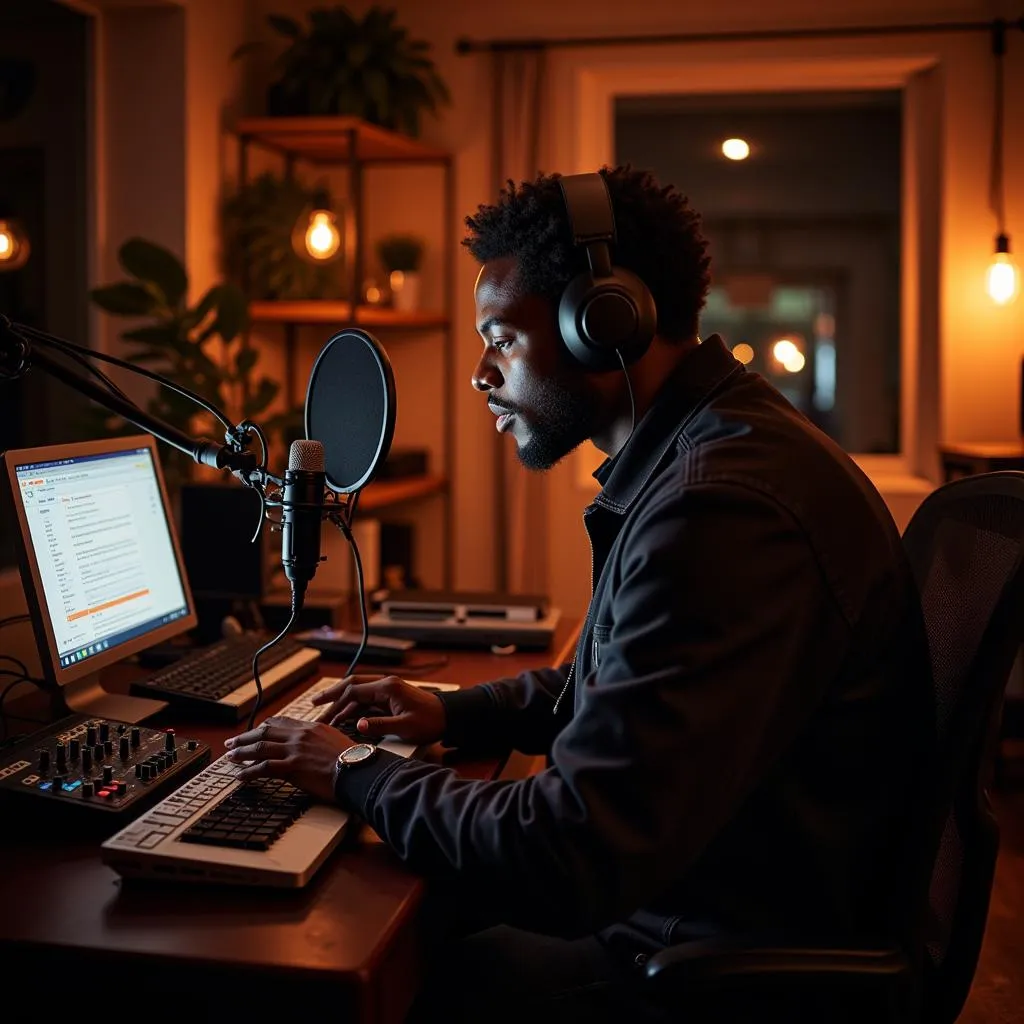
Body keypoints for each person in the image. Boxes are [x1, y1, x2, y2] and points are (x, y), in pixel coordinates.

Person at [225, 166, 934, 1023]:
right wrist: (452, 715)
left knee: (350, 950)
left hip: (699, 952)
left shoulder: (722, 510)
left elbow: (568, 852)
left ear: (605, 323)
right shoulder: (706, 459)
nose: (482, 375)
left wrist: (349, 767)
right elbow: (619, 680)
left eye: (502, 338)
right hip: (707, 892)